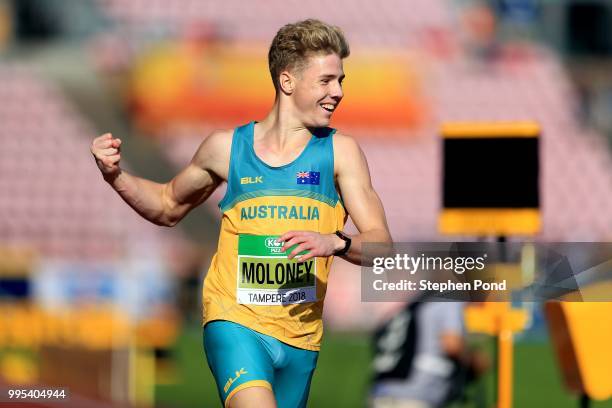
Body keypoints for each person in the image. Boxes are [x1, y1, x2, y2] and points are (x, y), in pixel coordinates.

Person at [91, 19, 392, 408]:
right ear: (287, 82)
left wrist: (335, 241)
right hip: (235, 322)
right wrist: (116, 176)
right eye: (326, 81)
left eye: (341, 81)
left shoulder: (342, 154)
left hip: (301, 338)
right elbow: (167, 205)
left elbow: (382, 247)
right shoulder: (226, 149)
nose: (338, 92)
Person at [370, 295, 488, 408]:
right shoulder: (450, 301)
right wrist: (474, 360)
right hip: (415, 396)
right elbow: (452, 344)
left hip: (383, 392)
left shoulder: (419, 302)